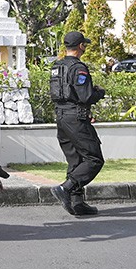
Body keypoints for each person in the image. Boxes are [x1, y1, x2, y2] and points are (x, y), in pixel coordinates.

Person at [48, 31, 106, 216]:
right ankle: (66, 188)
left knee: (76, 160)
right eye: (85, 45)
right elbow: (86, 95)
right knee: (94, 158)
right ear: (81, 46)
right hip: (76, 118)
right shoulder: (78, 67)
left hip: (62, 117)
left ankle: (77, 203)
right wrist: (100, 93)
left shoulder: (56, 66)